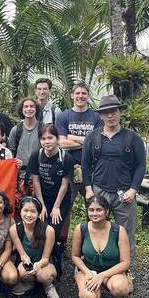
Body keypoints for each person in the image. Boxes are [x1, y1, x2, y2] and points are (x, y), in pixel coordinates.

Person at [82, 95, 146, 262]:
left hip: (124, 193)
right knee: (96, 229)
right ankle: (94, 263)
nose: (110, 116)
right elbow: (86, 165)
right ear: (101, 116)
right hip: (99, 191)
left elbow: (141, 165)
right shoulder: (92, 138)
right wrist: (88, 189)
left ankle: (125, 269)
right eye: (106, 113)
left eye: (114, 112)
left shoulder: (132, 138)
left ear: (120, 113)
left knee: (126, 232)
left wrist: (133, 190)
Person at [55, 82, 102, 251]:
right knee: (66, 206)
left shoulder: (96, 117)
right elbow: (60, 143)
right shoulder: (64, 116)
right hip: (69, 168)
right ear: (72, 95)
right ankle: (61, 242)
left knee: (93, 206)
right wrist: (86, 140)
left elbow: (97, 143)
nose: (80, 96)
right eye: (77, 93)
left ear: (88, 96)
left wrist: (71, 136)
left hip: (92, 169)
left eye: (84, 93)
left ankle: (92, 243)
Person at [71, 195, 133, 298]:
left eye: (99, 210)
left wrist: (102, 276)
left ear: (106, 211)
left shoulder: (118, 231)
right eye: (91, 210)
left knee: (120, 288)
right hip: (88, 270)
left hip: (112, 271)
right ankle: (91, 284)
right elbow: (75, 256)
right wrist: (88, 273)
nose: (95, 213)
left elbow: (125, 262)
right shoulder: (81, 228)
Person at [27, 123, 74, 276]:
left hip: (60, 199)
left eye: (50, 138)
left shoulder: (65, 157)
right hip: (43, 197)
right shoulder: (37, 155)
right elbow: (36, 181)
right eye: (43, 138)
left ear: (57, 139)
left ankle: (56, 258)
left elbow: (64, 184)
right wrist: (41, 205)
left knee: (54, 227)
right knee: (40, 225)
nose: (47, 141)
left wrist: (56, 206)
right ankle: (39, 260)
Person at [8, 197, 59, 298]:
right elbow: (22, 255)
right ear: (20, 211)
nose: (28, 215)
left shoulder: (48, 230)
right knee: (23, 272)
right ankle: (29, 283)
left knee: (42, 275)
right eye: (25, 210)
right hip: (28, 263)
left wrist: (39, 264)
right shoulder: (14, 229)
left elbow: (46, 258)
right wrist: (26, 260)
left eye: (33, 211)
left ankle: (48, 286)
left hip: (45, 264)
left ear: (39, 213)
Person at [8, 97, 41, 193]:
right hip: (21, 173)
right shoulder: (16, 130)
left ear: (36, 109)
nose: (29, 109)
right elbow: (11, 152)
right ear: (22, 110)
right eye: (25, 107)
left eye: (31, 106)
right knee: (21, 202)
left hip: (39, 172)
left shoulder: (42, 128)